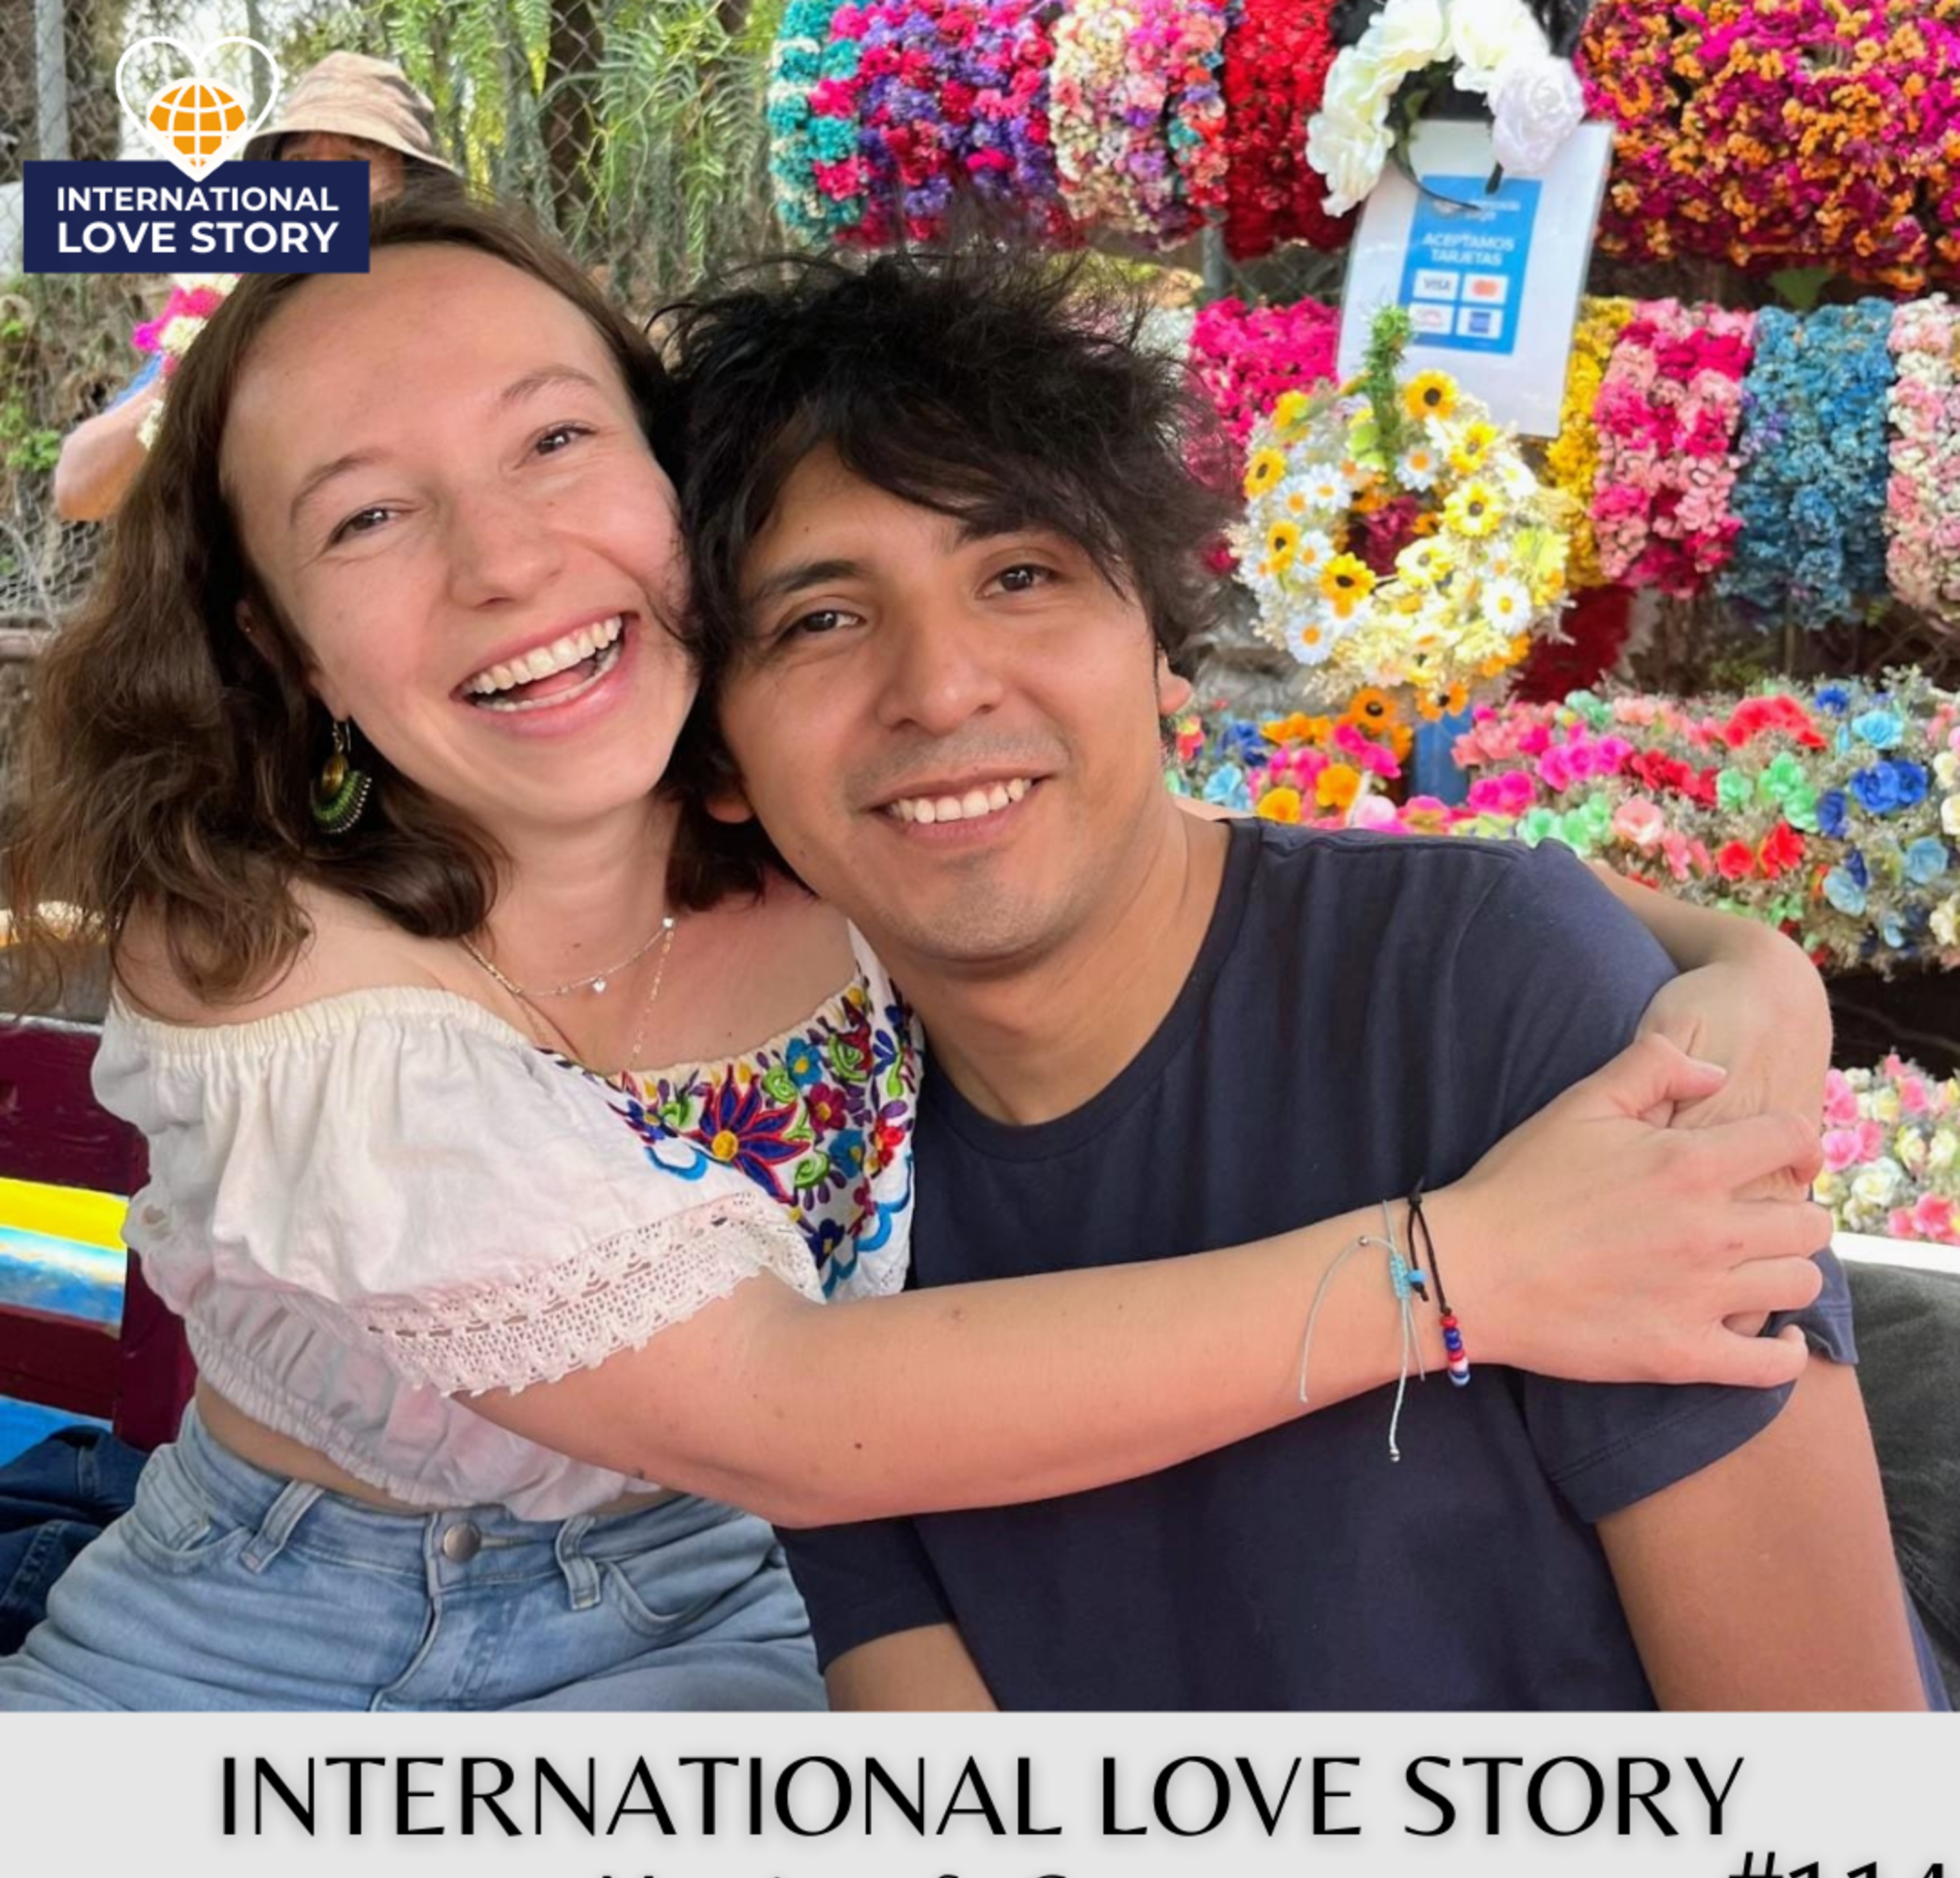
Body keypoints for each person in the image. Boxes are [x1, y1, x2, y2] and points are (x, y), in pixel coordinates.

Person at [0, 194, 1831, 1712]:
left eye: (553, 440)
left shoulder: (816, 831)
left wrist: (1738, 956)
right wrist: (1460, 1271)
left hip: (737, 1606)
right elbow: (783, 1409)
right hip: (278, 1633)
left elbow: (1158, 832)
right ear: (282, 642)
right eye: (367, 516)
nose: (503, 560)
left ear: (667, 498)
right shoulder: (263, 954)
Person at [662, 246, 1945, 1712]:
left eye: (1021, 576)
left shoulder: (1493, 991)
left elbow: (1834, 1780)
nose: (943, 687)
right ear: (717, 756)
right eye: (822, 620)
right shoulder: (813, 1184)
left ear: (1165, 652)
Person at [51, 53, 456, 525]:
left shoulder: (456, 306)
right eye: (301, 162)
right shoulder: (231, 305)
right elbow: (79, 491)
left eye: (354, 161)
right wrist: (186, 375)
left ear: (409, 188)